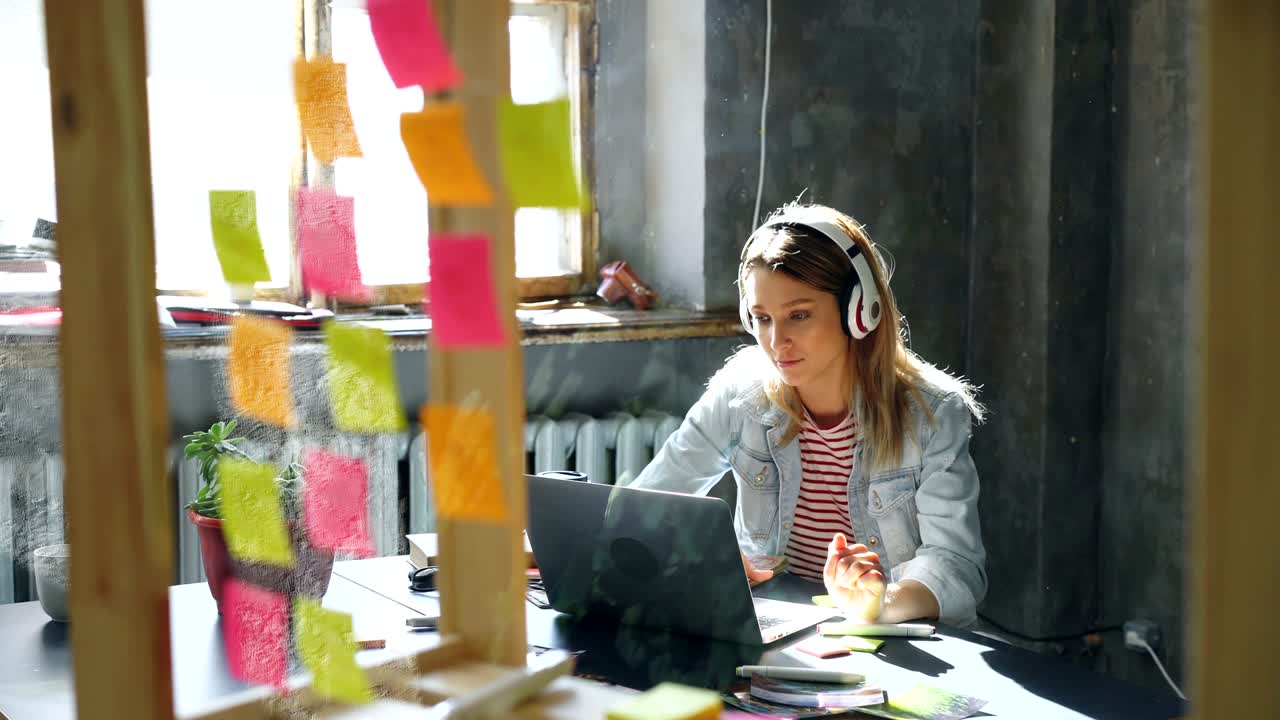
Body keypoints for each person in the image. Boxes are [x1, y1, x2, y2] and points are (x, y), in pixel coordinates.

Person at [631, 203, 986, 626]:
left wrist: (879, 603)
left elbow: (957, 567)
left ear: (859, 311)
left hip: (889, 639)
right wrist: (699, 557)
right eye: (762, 318)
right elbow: (644, 504)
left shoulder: (933, 413)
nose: (776, 341)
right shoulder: (739, 393)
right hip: (777, 634)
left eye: (798, 315)